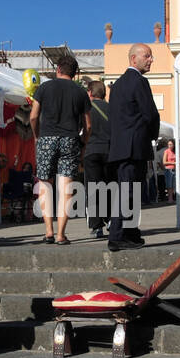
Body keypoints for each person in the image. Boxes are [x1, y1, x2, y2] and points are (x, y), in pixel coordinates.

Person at [29, 55, 91, 245]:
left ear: (58, 69)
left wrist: (37, 135)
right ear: (74, 73)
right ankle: (61, 234)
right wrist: (83, 142)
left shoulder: (44, 88)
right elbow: (88, 125)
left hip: (47, 138)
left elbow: (33, 116)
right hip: (70, 140)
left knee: (45, 185)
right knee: (66, 190)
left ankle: (48, 231)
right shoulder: (80, 92)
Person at [107, 43, 160, 253]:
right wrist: (152, 137)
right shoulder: (139, 81)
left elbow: (114, 118)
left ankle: (130, 233)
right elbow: (150, 114)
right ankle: (117, 235)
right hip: (135, 146)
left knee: (129, 190)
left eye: (151, 56)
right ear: (133, 59)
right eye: (147, 56)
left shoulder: (118, 84)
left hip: (121, 146)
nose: (151, 60)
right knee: (129, 191)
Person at [84, 80, 111, 237]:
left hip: (92, 150)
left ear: (90, 92)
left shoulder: (87, 109)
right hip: (109, 150)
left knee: (93, 188)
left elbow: (84, 128)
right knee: (109, 186)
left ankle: (96, 225)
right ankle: (110, 220)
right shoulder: (111, 109)